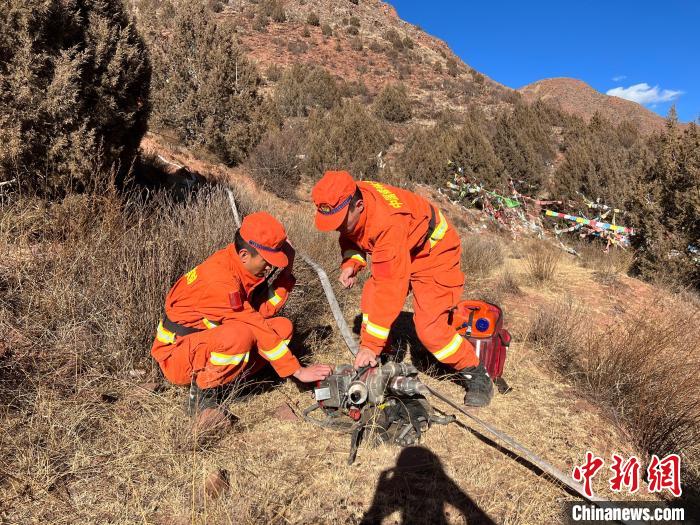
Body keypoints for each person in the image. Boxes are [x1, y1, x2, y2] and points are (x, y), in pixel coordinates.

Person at [311, 171, 493, 407]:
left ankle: (476, 372)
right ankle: (380, 359)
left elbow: (389, 288)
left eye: (340, 221)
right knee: (370, 298)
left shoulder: (387, 222)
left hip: (434, 251)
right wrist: (352, 262)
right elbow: (350, 235)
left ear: (359, 206)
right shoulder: (351, 197)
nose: (338, 228)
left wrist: (369, 345)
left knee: (430, 330)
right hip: (405, 246)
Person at [151, 211, 332, 429]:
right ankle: (203, 396)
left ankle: (232, 385)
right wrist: (298, 371)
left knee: (282, 327)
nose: (270, 267)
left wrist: (287, 271)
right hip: (176, 356)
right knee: (239, 335)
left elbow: (263, 311)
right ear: (245, 254)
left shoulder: (239, 265)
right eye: (267, 261)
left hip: (203, 345)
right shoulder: (220, 281)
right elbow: (254, 323)